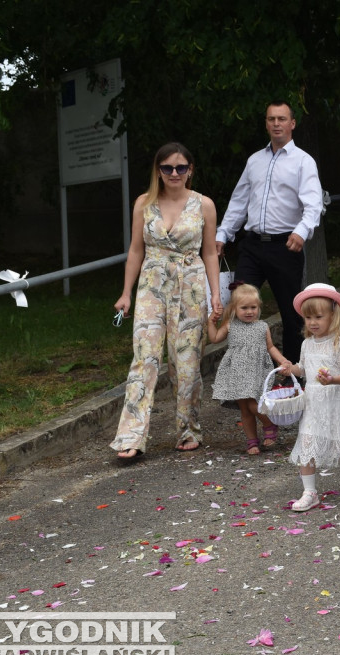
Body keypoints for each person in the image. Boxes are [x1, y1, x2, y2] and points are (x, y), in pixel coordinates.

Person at [111, 142, 221, 460]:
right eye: (167, 168)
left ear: (190, 170)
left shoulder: (205, 205)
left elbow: (210, 252)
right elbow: (135, 250)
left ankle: (188, 429)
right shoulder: (143, 204)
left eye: (181, 167)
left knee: (185, 363)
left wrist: (216, 294)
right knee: (144, 358)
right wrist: (125, 292)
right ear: (158, 170)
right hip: (151, 283)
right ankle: (130, 436)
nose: (174, 173)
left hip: (191, 286)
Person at [215, 101, 324, 361]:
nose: (276, 124)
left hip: (285, 246)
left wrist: (301, 231)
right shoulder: (255, 160)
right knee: (240, 307)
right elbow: (239, 201)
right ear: (266, 123)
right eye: (271, 119)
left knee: (291, 313)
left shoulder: (303, 162)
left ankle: (292, 374)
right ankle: (242, 378)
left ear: (292, 123)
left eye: (282, 119)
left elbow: (313, 204)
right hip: (252, 246)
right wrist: (223, 234)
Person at [280, 284, 340, 511]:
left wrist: (333, 379)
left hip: (334, 402)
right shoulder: (306, 343)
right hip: (313, 402)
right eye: (308, 317)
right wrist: (291, 369)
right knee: (307, 443)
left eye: (319, 317)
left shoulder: (338, 344)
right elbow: (304, 368)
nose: (312, 322)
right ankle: (310, 492)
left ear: (333, 316)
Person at [207, 284, 288, 454]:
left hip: (256, 371)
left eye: (253, 307)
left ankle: (269, 423)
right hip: (236, 372)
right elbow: (214, 338)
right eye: (244, 308)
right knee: (244, 408)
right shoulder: (231, 325)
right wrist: (211, 322)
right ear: (234, 308)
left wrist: (282, 361)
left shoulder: (262, 326)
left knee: (253, 404)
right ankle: (252, 441)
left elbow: (270, 347)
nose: (249, 311)